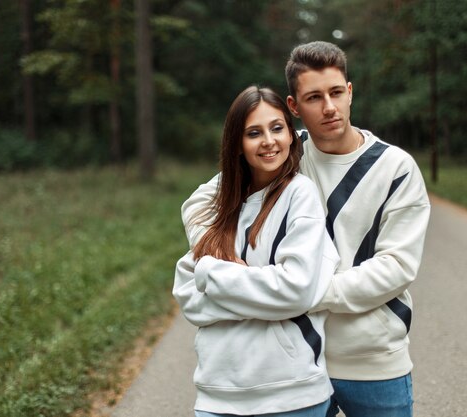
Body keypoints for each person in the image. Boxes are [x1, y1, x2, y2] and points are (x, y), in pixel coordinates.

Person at [182, 41, 431, 417]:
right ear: (295, 107)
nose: (329, 107)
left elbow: (396, 267)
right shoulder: (282, 151)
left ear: (349, 92)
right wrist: (222, 258)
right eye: (314, 97)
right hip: (295, 363)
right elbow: (201, 202)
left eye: (335, 93)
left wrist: (296, 290)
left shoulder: (396, 168)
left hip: (371, 359)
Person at [173, 85, 340, 417]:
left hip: (290, 394)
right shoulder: (220, 206)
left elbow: (294, 290)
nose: (268, 140)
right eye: (253, 132)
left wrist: (211, 273)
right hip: (216, 394)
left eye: (277, 128)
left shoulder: (300, 195)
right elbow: (187, 295)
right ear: (237, 143)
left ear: (292, 136)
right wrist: (258, 295)